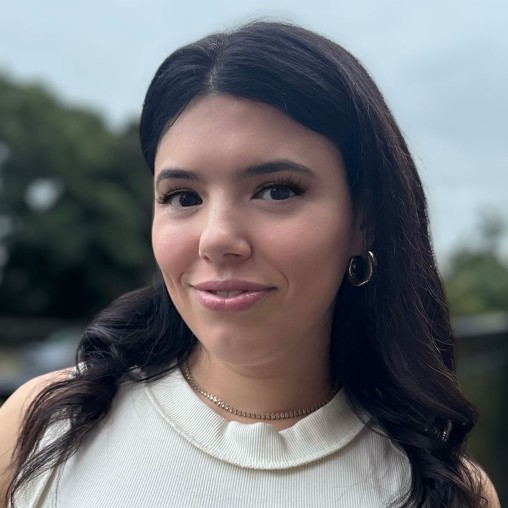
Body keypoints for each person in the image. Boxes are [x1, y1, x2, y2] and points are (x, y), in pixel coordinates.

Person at [0, 21, 500, 508]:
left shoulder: (444, 490)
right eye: (183, 197)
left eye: (277, 191)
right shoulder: (45, 425)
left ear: (363, 220)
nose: (216, 239)